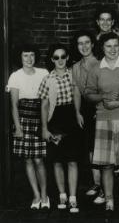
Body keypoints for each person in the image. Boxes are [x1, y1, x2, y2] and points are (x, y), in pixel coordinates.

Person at [85, 32, 119, 211]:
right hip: (103, 119)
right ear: (102, 48)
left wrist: (118, 102)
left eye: (116, 46)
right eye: (108, 46)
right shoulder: (95, 69)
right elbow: (88, 93)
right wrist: (104, 97)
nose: (112, 49)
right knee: (106, 164)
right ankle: (109, 200)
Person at [38, 44, 81, 213]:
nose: (60, 60)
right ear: (51, 60)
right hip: (55, 120)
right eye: (56, 57)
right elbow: (44, 106)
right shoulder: (48, 79)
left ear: (68, 57)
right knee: (57, 161)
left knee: (72, 160)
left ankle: (72, 197)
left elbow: (78, 96)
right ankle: (62, 195)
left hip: (71, 119)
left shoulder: (74, 76)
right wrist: (44, 128)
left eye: (63, 56)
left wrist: (78, 114)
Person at [7, 45, 49, 210]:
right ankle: (36, 195)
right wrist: (18, 127)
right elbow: (14, 105)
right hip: (23, 120)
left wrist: (47, 124)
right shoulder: (15, 76)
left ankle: (45, 195)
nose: (29, 59)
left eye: (32, 55)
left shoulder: (43, 73)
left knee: (39, 160)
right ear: (20, 57)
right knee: (28, 160)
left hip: (40, 119)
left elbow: (48, 100)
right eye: (25, 56)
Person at [71, 31, 103, 204]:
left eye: (87, 43)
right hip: (84, 108)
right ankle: (96, 183)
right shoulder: (75, 67)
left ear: (92, 44)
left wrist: (100, 109)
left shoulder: (99, 63)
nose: (83, 46)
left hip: (99, 107)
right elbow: (76, 91)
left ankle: (105, 188)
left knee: (100, 149)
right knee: (90, 149)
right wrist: (77, 112)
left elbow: (103, 89)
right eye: (79, 43)